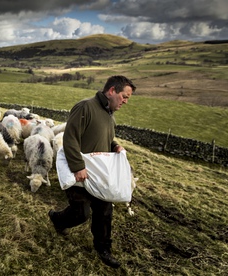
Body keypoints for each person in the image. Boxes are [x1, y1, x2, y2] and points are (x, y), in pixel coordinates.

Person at [48, 75, 136, 269]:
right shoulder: (85, 107)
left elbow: (106, 139)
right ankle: (57, 218)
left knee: (105, 212)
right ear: (112, 91)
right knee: (81, 212)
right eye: (124, 96)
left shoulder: (110, 115)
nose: (125, 102)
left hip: (99, 172)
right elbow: (70, 138)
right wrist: (78, 167)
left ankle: (103, 249)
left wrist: (115, 146)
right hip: (79, 171)